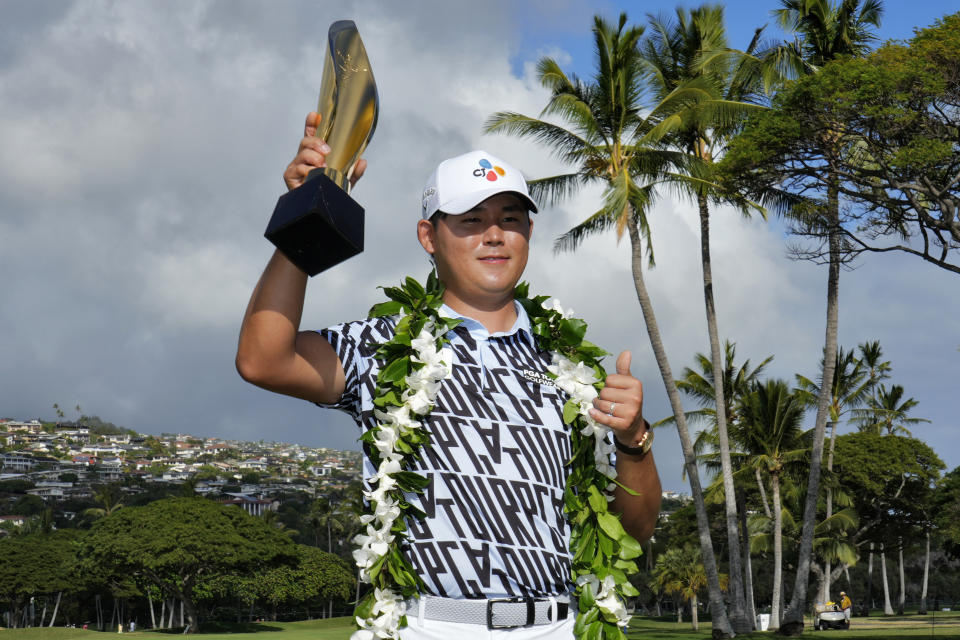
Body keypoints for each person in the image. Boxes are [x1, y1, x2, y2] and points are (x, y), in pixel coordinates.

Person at [236, 112, 662, 639]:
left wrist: (633, 441)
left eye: (510, 218)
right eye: (469, 220)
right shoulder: (384, 347)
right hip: (428, 628)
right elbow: (263, 359)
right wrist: (303, 218)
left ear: (528, 232)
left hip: (555, 628)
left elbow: (635, 535)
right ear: (428, 236)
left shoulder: (574, 369)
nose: (494, 235)